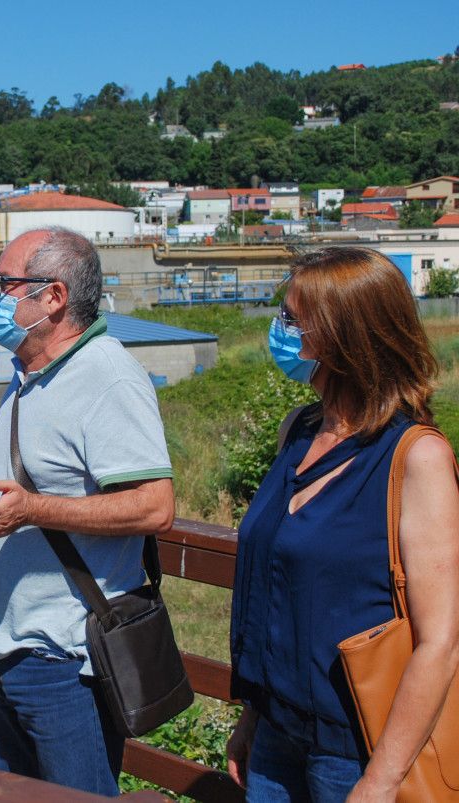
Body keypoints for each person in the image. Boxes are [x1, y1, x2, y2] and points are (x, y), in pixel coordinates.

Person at [0, 228, 175, 795]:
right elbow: (40, 467)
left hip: (66, 661)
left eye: (5, 283)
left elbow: (155, 506)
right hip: (11, 648)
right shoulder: (34, 370)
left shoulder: (107, 377)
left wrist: (34, 510)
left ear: (53, 297)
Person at [227, 247, 459, 802]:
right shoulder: (296, 433)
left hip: (357, 751)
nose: (278, 331)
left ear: (343, 335)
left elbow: (441, 642)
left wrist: (380, 781)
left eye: (291, 319)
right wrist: (252, 721)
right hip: (276, 737)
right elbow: (277, 593)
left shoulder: (415, 456)